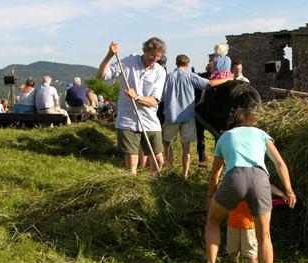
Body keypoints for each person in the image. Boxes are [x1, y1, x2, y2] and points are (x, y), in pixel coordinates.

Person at [204, 109, 297, 263]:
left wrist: (210, 197)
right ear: (252, 122)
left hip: (234, 178)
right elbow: (279, 163)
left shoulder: (225, 136)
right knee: (264, 235)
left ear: (233, 122)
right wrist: (289, 190)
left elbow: (215, 174)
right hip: (261, 180)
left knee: (213, 219)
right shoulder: (262, 134)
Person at [97, 38, 167, 174]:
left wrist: (137, 97)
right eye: (152, 55)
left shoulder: (160, 71)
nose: (154, 59)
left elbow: (154, 101)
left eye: (158, 57)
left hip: (149, 121)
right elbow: (102, 75)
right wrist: (110, 55)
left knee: (159, 161)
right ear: (144, 50)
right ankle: (132, 188)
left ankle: (154, 184)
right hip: (127, 121)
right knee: (132, 164)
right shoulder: (128, 62)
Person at [162, 54, 228, 179]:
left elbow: (162, 97)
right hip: (188, 116)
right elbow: (210, 84)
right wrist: (227, 79)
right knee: (186, 148)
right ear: (187, 65)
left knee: (167, 143)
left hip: (171, 115)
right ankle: (185, 174)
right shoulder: (191, 76)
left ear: (176, 63)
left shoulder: (168, 77)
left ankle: (170, 169)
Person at [227, 184, 287, 263]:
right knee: (233, 249)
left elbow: (267, 185)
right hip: (232, 224)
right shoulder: (232, 181)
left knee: (251, 253)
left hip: (249, 226)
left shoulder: (254, 182)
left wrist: (283, 195)